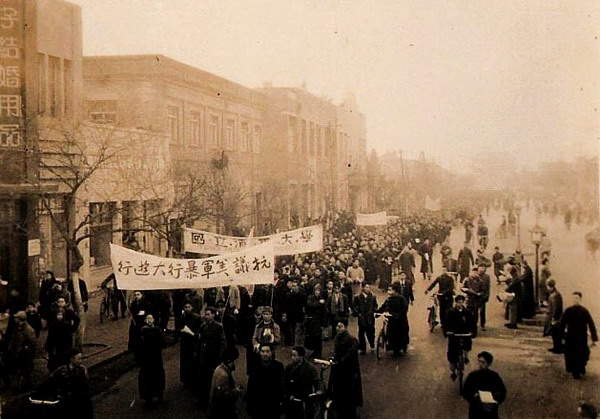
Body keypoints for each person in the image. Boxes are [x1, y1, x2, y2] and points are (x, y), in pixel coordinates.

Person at [44, 349, 93, 419]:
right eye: (78, 359)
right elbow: (51, 380)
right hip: (68, 400)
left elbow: (86, 384)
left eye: (81, 359)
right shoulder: (62, 370)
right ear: (71, 359)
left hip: (81, 399)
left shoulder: (82, 369)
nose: (80, 361)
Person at [559, 292, 598, 379]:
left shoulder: (584, 311)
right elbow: (562, 324)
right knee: (571, 354)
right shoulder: (568, 311)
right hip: (570, 336)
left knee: (582, 353)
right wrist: (561, 337)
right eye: (573, 298)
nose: (575, 300)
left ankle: (580, 368)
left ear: (580, 299)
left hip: (581, 337)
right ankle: (575, 371)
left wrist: (594, 338)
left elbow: (591, 324)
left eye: (577, 298)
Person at [329, 322, 363, 419]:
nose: (338, 328)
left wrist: (340, 361)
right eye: (337, 326)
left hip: (348, 370)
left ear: (345, 327)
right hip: (340, 368)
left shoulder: (352, 340)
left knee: (348, 390)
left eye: (340, 326)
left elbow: (350, 355)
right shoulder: (337, 338)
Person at [462, 351, 507, 419]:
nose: (480, 364)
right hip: (476, 410)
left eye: (483, 362)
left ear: (488, 364)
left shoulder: (494, 376)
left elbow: (502, 392)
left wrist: (494, 398)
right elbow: (465, 391)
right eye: (479, 361)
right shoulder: (472, 376)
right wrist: (474, 396)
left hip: (490, 410)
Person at [197, 307, 226, 406]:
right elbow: (200, 340)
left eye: (208, 314)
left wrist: (220, 356)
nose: (206, 316)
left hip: (213, 355)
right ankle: (203, 399)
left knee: (212, 379)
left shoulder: (218, 326)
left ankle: (212, 401)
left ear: (213, 315)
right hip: (203, 355)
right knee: (203, 378)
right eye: (205, 314)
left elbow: (222, 342)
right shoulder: (203, 326)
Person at [246, 344, 284, 419]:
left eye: (267, 351)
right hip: (258, 404)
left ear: (271, 352)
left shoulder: (278, 366)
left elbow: (281, 385)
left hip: (273, 403)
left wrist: (281, 401)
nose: (265, 354)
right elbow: (250, 386)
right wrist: (250, 405)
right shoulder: (254, 366)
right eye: (263, 351)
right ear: (259, 352)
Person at [284, 346, 321, 419]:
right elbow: (285, 382)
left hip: (306, 399)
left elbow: (316, 381)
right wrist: (288, 395)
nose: (292, 357)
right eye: (291, 355)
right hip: (293, 399)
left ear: (301, 356)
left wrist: (317, 391)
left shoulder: (310, 368)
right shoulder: (289, 368)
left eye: (294, 355)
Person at [138, 314, 165, 406]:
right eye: (147, 319)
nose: (149, 320)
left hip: (156, 357)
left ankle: (159, 396)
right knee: (147, 377)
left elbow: (162, 341)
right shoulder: (143, 330)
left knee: (158, 375)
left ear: (154, 320)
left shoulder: (157, 329)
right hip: (147, 358)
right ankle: (148, 397)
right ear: (145, 320)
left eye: (151, 318)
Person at [208, 347, 243, 419]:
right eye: (234, 361)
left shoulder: (220, 368)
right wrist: (236, 391)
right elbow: (223, 396)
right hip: (221, 412)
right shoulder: (223, 375)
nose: (235, 364)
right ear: (229, 360)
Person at [6, 311, 36, 390]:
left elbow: (32, 343)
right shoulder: (17, 327)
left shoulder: (29, 330)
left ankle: (27, 388)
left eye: (16, 318)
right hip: (17, 354)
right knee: (17, 371)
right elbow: (14, 340)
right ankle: (18, 387)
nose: (15, 319)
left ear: (20, 319)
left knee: (26, 372)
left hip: (25, 355)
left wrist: (25, 350)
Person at [446, 295, 474, 380]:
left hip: (464, 333)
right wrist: (447, 332)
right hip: (454, 334)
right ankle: (453, 370)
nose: (460, 304)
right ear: (456, 302)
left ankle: (466, 356)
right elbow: (446, 323)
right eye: (459, 302)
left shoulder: (467, 312)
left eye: (462, 302)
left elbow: (471, 323)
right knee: (452, 353)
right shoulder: (451, 312)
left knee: (467, 344)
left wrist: (472, 332)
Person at [377, 283, 410, 356]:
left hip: (400, 321)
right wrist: (377, 313)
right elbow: (383, 307)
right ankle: (394, 348)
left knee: (401, 334)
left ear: (395, 291)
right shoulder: (388, 299)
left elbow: (404, 309)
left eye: (390, 290)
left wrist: (398, 315)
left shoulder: (401, 299)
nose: (388, 292)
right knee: (391, 334)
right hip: (391, 320)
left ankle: (401, 347)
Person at [425, 265, 455, 334]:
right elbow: (433, 284)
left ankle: (448, 323)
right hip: (441, 297)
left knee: (449, 310)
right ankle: (442, 323)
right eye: (443, 270)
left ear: (447, 271)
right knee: (442, 310)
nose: (444, 271)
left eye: (445, 270)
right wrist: (427, 290)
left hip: (448, 296)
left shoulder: (450, 278)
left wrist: (444, 293)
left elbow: (451, 287)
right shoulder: (439, 278)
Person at [180, 302, 201, 387]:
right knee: (185, 361)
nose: (187, 308)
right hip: (185, 342)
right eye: (185, 307)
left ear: (192, 308)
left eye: (189, 307)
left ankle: (193, 380)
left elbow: (198, 332)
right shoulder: (183, 317)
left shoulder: (196, 317)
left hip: (193, 342)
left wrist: (190, 332)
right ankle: (186, 380)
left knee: (192, 361)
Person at [353, 283, 378, 354]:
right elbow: (354, 306)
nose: (368, 289)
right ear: (363, 288)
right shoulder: (357, 297)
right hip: (362, 318)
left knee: (371, 332)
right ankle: (362, 348)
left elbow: (375, 306)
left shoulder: (373, 297)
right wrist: (358, 313)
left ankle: (372, 345)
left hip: (370, 318)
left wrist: (374, 311)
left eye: (369, 287)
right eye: (366, 287)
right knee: (361, 333)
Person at [543, 279, 563, 354]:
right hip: (553, 316)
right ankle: (556, 347)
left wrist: (554, 318)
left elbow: (556, 308)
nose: (547, 288)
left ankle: (558, 348)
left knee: (556, 334)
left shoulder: (554, 295)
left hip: (554, 317)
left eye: (547, 286)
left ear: (550, 286)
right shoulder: (555, 294)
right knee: (554, 333)